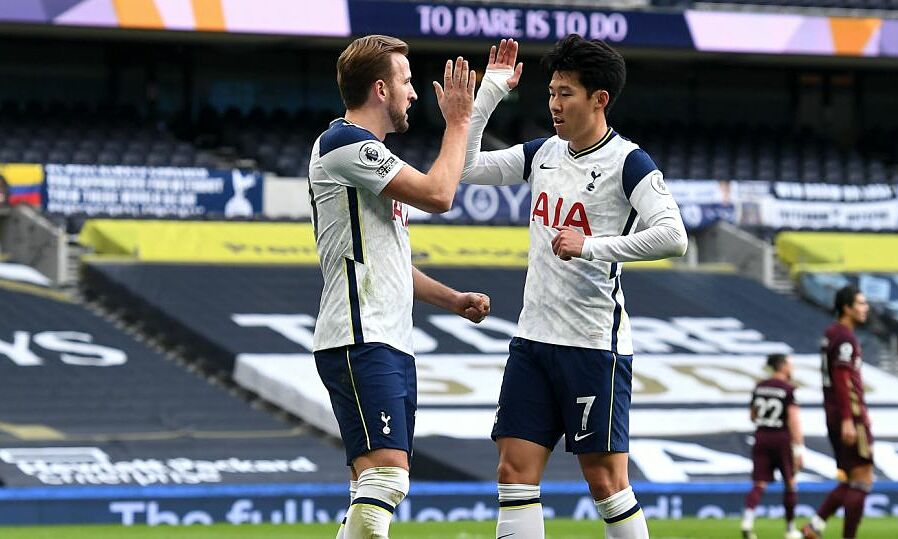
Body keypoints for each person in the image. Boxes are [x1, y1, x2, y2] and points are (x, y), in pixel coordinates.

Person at [462, 36, 687, 539]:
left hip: (592, 346)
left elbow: (675, 238)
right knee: (512, 473)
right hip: (533, 341)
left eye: (566, 93)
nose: (554, 104)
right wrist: (490, 94)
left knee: (606, 481)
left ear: (599, 98)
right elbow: (467, 167)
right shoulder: (544, 152)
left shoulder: (631, 163)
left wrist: (593, 246)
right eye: (550, 93)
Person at [308, 35, 491, 538]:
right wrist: (459, 121)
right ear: (380, 89)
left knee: (371, 482)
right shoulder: (344, 144)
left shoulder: (367, 160)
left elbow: (391, 265)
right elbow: (440, 194)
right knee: (387, 477)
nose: (413, 93)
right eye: (407, 81)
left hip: (385, 338)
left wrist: (451, 299)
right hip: (360, 335)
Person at [802, 285, 874, 539]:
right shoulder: (845, 338)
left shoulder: (831, 334)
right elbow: (842, 379)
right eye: (861, 303)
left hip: (833, 412)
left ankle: (814, 527)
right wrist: (848, 419)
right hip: (849, 415)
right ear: (847, 307)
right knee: (863, 479)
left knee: (851, 479)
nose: (866, 308)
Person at [741, 353, 805, 539]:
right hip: (781, 438)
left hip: (761, 436)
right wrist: (799, 449)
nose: (792, 368)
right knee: (790, 483)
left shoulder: (760, 386)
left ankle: (747, 521)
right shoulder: (788, 389)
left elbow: (752, 416)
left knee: (759, 483)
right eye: (790, 364)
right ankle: (790, 529)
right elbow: (794, 421)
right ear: (782, 366)